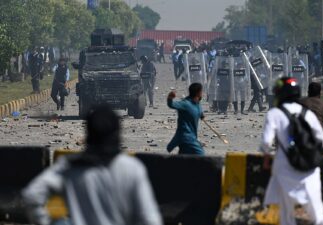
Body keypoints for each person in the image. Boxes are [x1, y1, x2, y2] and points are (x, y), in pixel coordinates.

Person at [22, 105, 162, 225]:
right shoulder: (132, 168)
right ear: (117, 132)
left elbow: (31, 195)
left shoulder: (71, 166)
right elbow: (150, 220)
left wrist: (44, 221)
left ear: (89, 133)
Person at [261, 77, 323, 225]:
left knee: (286, 214)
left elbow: (266, 142)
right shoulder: (307, 114)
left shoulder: (274, 113)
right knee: (318, 213)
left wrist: (266, 158)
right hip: (310, 169)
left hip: (284, 169)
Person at [167, 83, 205, 155]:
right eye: (201, 91)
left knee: (184, 160)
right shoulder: (185, 104)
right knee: (201, 155)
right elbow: (171, 105)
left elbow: (198, 110)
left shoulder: (197, 104)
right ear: (198, 92)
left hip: (191, 137)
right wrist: (170, 98)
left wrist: (201, 115)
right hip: (186, 137)